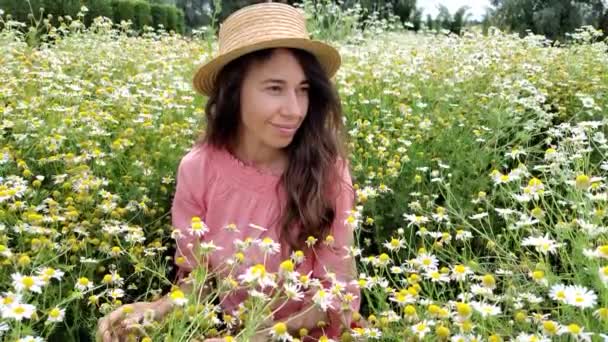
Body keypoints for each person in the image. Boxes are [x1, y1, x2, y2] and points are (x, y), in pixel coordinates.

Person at [96, 2, 361, 341]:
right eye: (275, 88)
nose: (295, 110)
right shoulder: (199, 168)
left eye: (304, 89)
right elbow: (198, 280)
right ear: (234, 92)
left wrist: (260, 336)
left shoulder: (327, 170)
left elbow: (339, 298)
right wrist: (153, 310)